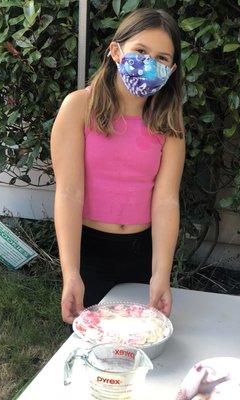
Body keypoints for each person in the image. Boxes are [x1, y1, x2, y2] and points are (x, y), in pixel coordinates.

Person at [50, 8, 186, 325]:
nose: (151, 63)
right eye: (141, 51)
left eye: (162, 58)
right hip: (89, 252)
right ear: (116, 51)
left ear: (171, 69)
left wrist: (160, 273)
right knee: (91, 354)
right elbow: (69, 192)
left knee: (138, 348)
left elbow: (166, 200)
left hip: (143, 252)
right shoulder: (78, 107)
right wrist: (70, 273)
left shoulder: (170, 122)